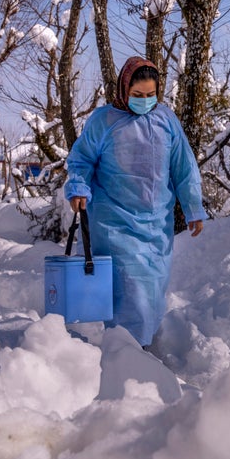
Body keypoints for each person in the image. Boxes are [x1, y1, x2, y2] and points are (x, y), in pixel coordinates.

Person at [64, 56, 206, 347]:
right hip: (113, 222)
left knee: (151, 292)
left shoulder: (166, 120)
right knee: (130, 292)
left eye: (150, 95)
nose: (144, 101)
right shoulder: (104, 121)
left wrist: (193, 207)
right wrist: (78, 188)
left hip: (156, 226)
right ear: (124, 89)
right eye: (137, 95)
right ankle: (126, 353)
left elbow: (184, 167)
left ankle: (140, 347)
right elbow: (82, 160)